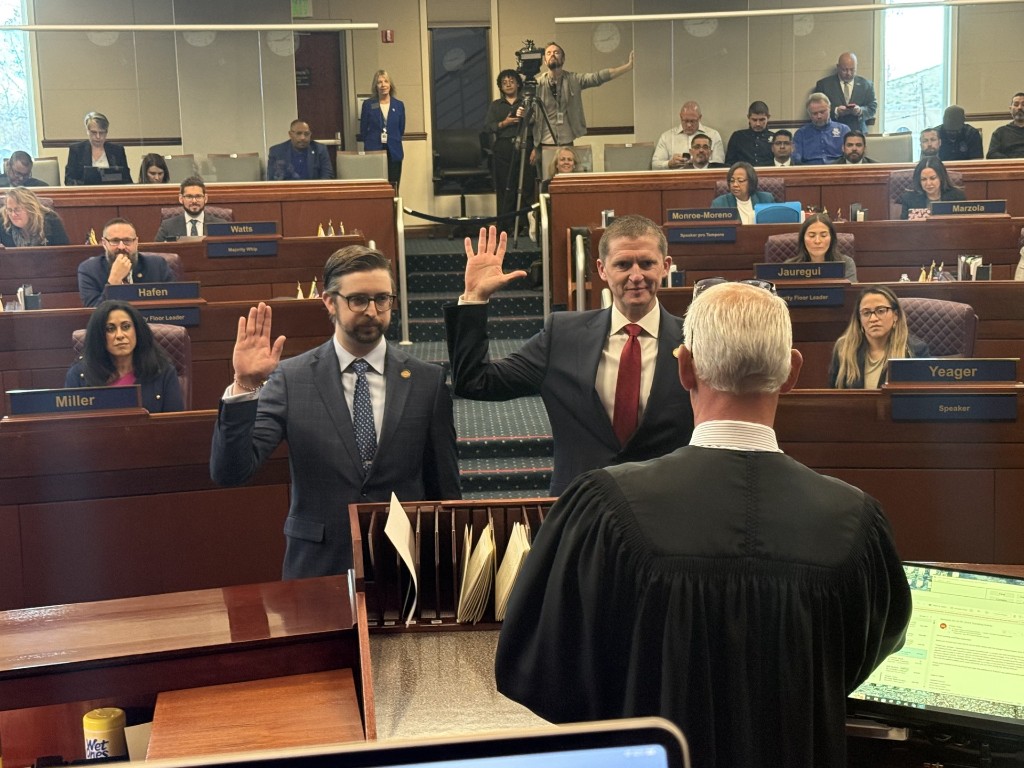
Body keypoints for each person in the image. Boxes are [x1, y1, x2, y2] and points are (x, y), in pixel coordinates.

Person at [495, 280, 911, 768]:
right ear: (793, 372)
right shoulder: (853, 520)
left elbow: (540, 672)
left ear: (685, 367)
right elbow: (859, 657)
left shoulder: (604, 506)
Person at [210, 245, 461, 579]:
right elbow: (232, 471)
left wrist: (450, 569)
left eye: (382, 299)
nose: (373, 311)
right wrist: (244, 386)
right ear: (329, 301)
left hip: (405, 567)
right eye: (358, 300)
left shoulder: (427, 380)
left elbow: (445, 488)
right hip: (318, 564)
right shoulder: (291, 378)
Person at [444, 216, 695, 496]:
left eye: (646, 263)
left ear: (666, 266)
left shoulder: (694, 342)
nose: (636, 275)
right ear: (602, 269)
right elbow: (475, 381)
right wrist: (473, 298)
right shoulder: (563, 336)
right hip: (580, 510)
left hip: (665, 505)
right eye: (623, 264)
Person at [530, 43, 634, 176]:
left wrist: (627, 66)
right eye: (548, 53)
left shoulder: (573, 79)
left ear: (563, 58)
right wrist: (534, 147)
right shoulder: (537, 84)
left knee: (566, 180)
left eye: (556, 52)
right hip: (544, 143)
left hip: (566, 141)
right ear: (544, 60)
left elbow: (598, 77)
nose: (552, 55)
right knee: (546, 184)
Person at [65, 300, 184, 413]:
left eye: (126, 326)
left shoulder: (162, 371)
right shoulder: (79, 376)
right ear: (99, 336)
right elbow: (72, 429)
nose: (120, 335)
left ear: (137, 330)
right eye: (110, 329)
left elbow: (176, 427)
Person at [829, 286, 930, 389]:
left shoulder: (916, 351)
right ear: (859, 319)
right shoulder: (844, 348)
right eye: (866, 313)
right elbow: (834, 398)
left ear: (895, 315)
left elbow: (922, 400)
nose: (873, 319)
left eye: (881, 311)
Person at [77, 218, 175, 307]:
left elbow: (174, 305)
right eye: (115, 241)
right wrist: (113, 282)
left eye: (127, 240)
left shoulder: (157, 265)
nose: (121, 247)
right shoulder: (89, 270)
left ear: (136, 242)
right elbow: (93, 314)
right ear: (104, 243)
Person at [484, 69, 535, 236]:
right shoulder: (495, 105)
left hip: (525, 146)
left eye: (511, 81)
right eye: (504, 82)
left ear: (518, 83)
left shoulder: (527, 102)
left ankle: (524, 226)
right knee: (505, 187)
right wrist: (504, 123)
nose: (508, 84)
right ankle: (504, 226)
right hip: (503, 148)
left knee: (525, 186)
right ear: (500, 86)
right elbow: (488, 127)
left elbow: (536, 124)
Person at [360, 71, 405, 189]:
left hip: (394, 150)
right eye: (379, 82)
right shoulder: (368, 104)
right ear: (375, 86)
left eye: (386, 81)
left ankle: (393, 207)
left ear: (390, 85)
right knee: (376, 187)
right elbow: (363, 130)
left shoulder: (399, 105)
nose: (383, 85)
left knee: (393, 186)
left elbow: (401, 129)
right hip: (374, 149)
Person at [813, 52, 877, 133]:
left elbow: (872, 107)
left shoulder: (866, 85)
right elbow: (816, 108)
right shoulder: (824, 85)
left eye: (852, 69)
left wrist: (860, 111)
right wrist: (836, 111)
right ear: (838, 67)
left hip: (858, 132)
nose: (848, 73)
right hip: (831, 133)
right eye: (844, 70)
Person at [784, 212, 858, 281]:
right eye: (811, 236)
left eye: (823, 235)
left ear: (831, 238)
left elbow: (850, 294)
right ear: (803, 239)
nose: (817, 241)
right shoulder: (789, 267)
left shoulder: (846, 264)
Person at [64, 112, 132, 185]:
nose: (98, 137)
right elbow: (69, 180)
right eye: (94, 132)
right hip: (86, 194)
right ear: (87, 131)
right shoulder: (77, 150)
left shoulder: (117, 151)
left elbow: (127, 179)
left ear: (106, 132)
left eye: (102, 133)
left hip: (112, 193)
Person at [652, 101, 725, 169]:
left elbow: (719, 164)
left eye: (693, 121)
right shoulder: (666, 137)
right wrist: (669, 164)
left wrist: (698, 162)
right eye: (686, 121)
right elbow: (655, 165)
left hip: (705, 178)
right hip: (675, 179)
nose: (689, 125)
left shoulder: (713, 135)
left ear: (700, 118)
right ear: (681, 117)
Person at [154, 176, 229, 241]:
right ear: (181, 199)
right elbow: (157, 253)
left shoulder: (220, 225)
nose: (194, 201)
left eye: (198, 196)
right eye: (189, 197)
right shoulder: (168, 226)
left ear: (205, 198)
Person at [899, 156, 966, 219]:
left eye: (933, 178)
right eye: (923, 179)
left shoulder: (957, 196)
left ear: (941, 177)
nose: (928, 183)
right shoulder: (909, 199)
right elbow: (904, 227)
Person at [0, 186, 70, 246]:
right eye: (9, 210)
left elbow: (64, 254)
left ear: (31, 209)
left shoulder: (51, 221)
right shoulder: (3, 224)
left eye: (17, 209)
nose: (13, 214)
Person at [267, 119, 334, 181]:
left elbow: (327, 176)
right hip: (288, 191)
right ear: (290, 134)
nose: (303, 138)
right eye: (298, 133)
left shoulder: (320, 150)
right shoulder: (277, 152)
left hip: (313, 191)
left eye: (306, 134)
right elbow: (273, 180)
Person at [710, 162, 775, 224]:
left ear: (750, 182)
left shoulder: (766, 200)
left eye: (740, 180)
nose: (735, 184)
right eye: (732, 181)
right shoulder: (720, 204)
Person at [793, 93, 849, 164]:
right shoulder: (801, 133)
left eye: (822, 112)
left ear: (829, 109)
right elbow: (796, 159)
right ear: (809, 114)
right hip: (810, 171)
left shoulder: (843, 130)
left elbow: (849, 156)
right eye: (815, 113)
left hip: (838, 170)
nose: (819, 116)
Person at [724, 101, 774, 166]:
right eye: (754, 120)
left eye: (762, 120)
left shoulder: (775, 138)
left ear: (768, 117)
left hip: (769, 174)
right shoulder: (738, 137)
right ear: (748, 118)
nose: (758, 124)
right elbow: (729, 163)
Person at [986, 92, 1024, 159]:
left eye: (1023, 104)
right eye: (1016, 104)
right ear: (1010, 109)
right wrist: (1011, 162)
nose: (1020, 107)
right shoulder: (1000, 132)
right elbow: (992, 154)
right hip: (1008, 167)